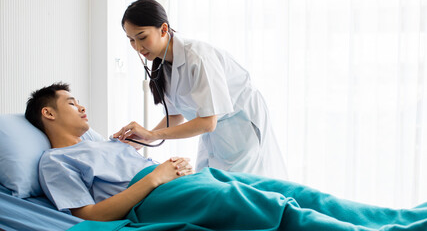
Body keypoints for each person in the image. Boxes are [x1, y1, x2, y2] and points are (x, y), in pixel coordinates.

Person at [26, 83, 427, 231]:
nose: (82, 108)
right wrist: (154, 179)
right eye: (71, 102)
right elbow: (88, 216)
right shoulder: (54, 162)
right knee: (274, 208)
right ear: (48, 113)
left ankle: (406, 219)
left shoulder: (107, 142)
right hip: (152, 198)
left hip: (182, 181)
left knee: (296, 191)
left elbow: (154, 165)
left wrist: (172, 167)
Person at [113, 0, 287, 180]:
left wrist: (151, 134)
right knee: (211, 191)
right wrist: (143, 140)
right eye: (131, 40)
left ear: (164, 29)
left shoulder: (198, 57)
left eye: (142, 37)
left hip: (241, 131)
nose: (137, 47)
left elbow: (207, 122)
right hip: (215, 138)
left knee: (244, 194)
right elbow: (175, 116)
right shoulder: (163, 64)